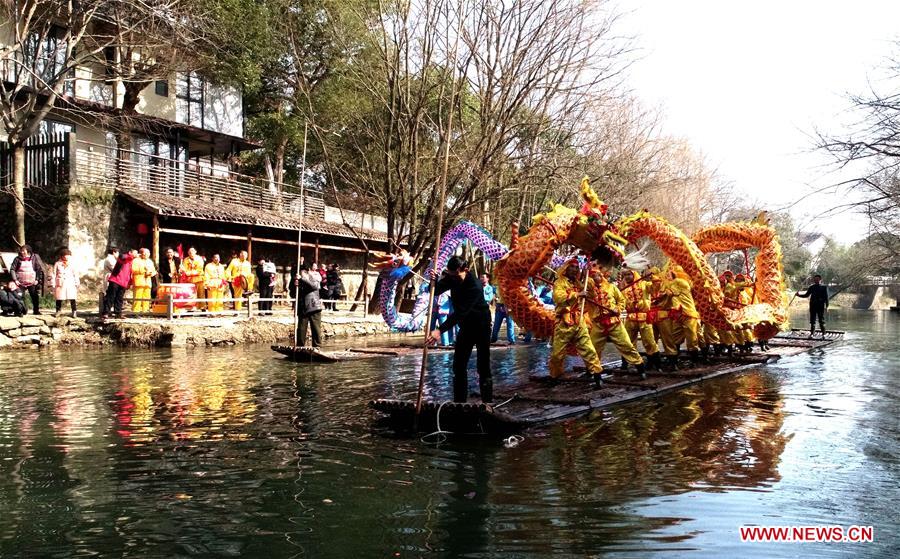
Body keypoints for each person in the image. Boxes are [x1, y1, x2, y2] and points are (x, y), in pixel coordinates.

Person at [428, 256, 493, 404]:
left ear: (465, 270)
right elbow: (435, 291)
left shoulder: (475, 285)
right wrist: (434, 281)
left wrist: (439, 330)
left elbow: (460, 313)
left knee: (483, 366)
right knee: (458, 365)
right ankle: (459, 403)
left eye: (457, 275)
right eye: (451, 275)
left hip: (481, 325)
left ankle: (487, 403)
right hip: (466, 326)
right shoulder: (452, 277)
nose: (454, 278)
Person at [548, 259, 603, 387]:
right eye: (572, 267)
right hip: (564, 323)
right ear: (566, 268)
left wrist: (588, 283)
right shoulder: (559, 283)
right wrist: (577, 294)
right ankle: (554, 376)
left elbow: (592, 296)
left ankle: (597, 375)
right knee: (557, 353)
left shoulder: (579, 284)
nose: (574, 270)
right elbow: (558, 297)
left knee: (589, 349)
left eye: (576, 268)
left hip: (579, 322)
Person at [586, 265, 646, 378]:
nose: (595, 278)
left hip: (614, 322)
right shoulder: (588, 291)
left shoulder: (611, 287)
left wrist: (617, 309)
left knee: (626, 345)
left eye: (597, 275)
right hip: (598, 324)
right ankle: (593, 371)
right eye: (592, 276)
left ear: (601, 276)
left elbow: (621, 300)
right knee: (593, 348)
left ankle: (640, 367)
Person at [658, 264, 702, 368]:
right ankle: (674, 361)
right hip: (677, 315)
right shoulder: (671, 284)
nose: (667, 277)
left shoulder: (681, 283)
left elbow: (670, 292)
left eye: (669, 274)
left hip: (688, 314)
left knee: (692, 339)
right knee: (675, 337)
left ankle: (695, 361)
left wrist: (664, 285)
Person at [620, 269, 662, 370]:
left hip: (644, 318)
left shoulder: (644, 284)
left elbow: (656, 287)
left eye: (629, 274)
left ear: (634, 274)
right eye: (625, 275)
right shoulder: (624, 288)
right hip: (630, 318)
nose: (627, 277)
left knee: (649, 341)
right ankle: (625, 364)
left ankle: (655, 364)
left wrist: (653, 278)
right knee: (627, 342)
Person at [9, 244, 45, 315]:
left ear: (28, 251)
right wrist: (15, 280)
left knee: (34, 296)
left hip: (32, 281)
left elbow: (38, 269)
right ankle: (20, 311)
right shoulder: (17, 259)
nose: (22, 252)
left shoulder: (34, 258)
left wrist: (37, 279)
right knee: (19, 296)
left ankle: (36, 310)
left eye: (23, 250)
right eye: (21, 250)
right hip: (20, 282)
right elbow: (12, 269)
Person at [295, 263, 324, 347]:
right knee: (301, 329)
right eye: (300, 272)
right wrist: (295, 285)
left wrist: (303, 279)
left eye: (303, 272)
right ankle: (300, 346)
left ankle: (317, 346)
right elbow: (293, 293)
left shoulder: (312, 277)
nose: (301, 274)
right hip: (302, 308)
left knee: (315, 328)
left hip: (313, 306)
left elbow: (315, 286)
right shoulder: (298, 279)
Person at [103, 249, 137, 319]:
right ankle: (106, 312)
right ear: (130, 252)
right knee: (111, 296)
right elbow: (123, 257)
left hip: (123, 282)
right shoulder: (123, 257)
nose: (136, 255)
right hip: (116, 280)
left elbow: (129, 273)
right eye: (135, 253)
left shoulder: (131, 262)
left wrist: (129, 283)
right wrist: (132, 256)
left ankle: (118, 313)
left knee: (119, 298)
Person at [796, 274, 829, 338]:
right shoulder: (812, 287)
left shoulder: (824, 287)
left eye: (817, 279)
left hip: (820, 306)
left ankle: (824, 334)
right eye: (815, 279)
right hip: (813, 305)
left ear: (820, 279)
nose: (816, 280)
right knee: (812, 320)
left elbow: (826, 298)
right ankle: (812, 334)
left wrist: (827, 306)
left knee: (821, 320)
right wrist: (798, 295)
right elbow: (806, 295)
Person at [50, 248, 80, 317]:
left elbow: (76, 274)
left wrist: (77, 282)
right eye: (66, 255)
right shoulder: (57, 263)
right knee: (59, 298)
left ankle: (74, 311)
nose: (67, 257)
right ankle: (58, 311)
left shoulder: (72, 264)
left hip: (70, 282)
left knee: (72, 297)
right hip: (60, 282)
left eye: (68, 255)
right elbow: (54, 274)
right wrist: (53, 283)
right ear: (62, 256)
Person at [131, 248, 157, 313]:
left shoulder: (150, 261)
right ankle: (136, 311)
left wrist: (151, 273)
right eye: (146, 253)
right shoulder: (136, 260)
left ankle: (145, 311)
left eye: (148, 253)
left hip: (147, 282)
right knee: (138, 297)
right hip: (139, 281)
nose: (147, 254)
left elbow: (153, 270)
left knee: (147, 297)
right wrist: (144, 271)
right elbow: (133, 269)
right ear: (142, 253)